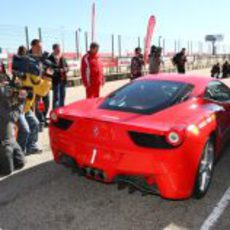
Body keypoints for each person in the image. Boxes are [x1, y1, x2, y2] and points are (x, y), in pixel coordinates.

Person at [0, 81, 25, 175]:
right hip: (3, 143)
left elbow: (10, 110)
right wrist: (21, 101)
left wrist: (18, 98)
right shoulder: (2, 103)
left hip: (11, 139)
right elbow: (13, 117)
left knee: (20, 163)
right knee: (7, 171)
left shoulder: (4, 102)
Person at [48, 44, 69, 109]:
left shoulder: (62, 57)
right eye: (58, 49)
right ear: (54, 49)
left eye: (59, 49)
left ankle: (62, 112)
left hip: (63, 80)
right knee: (56, 98)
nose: (59, 50)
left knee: (62, 97)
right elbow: (49, 70)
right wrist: (59, 70)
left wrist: (66, 69)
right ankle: (55, 113)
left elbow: (67, 67)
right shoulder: (50, 58)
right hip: (56, 81)